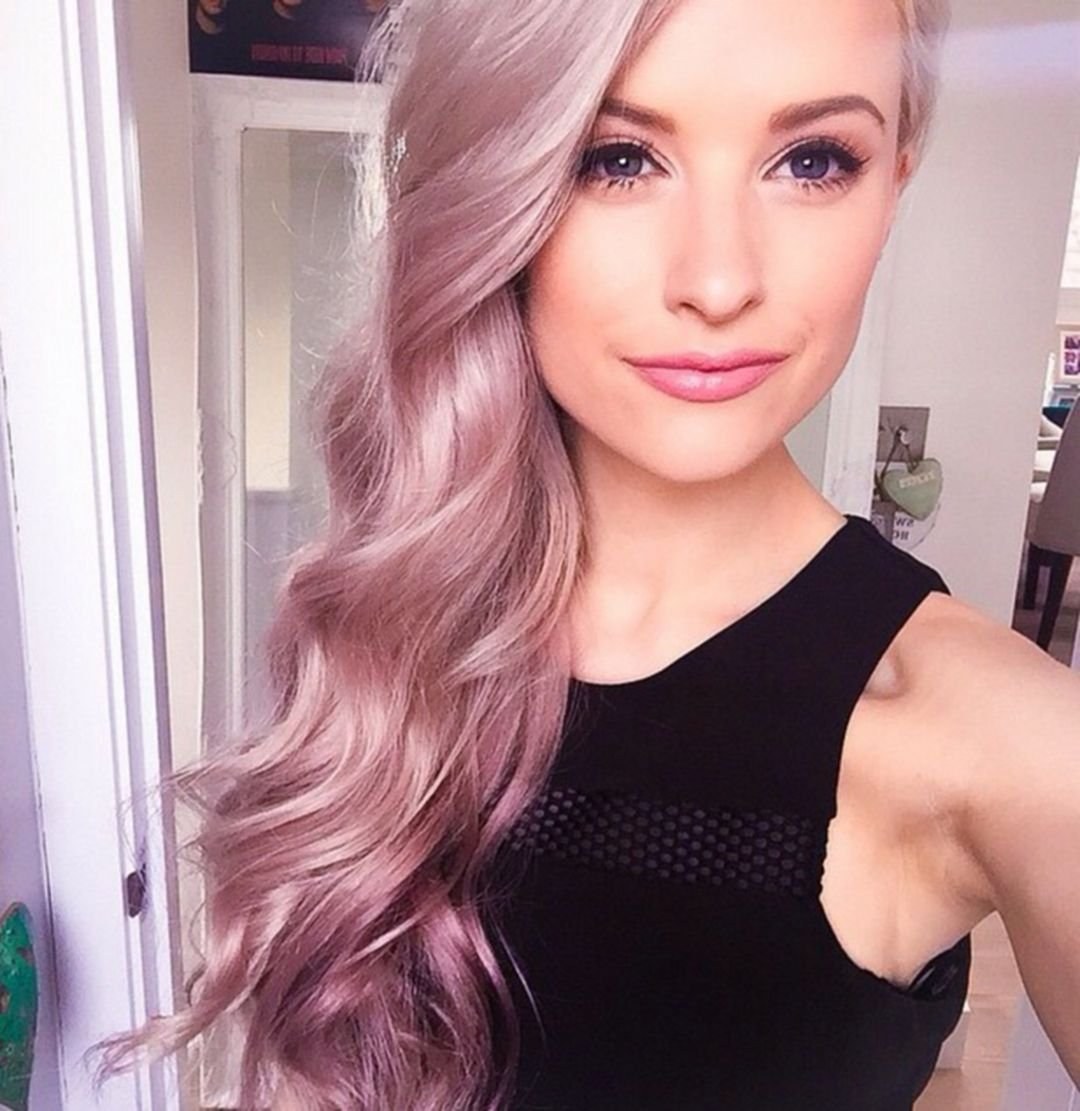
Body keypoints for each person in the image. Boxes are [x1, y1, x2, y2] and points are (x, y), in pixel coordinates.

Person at [95, 0, 1080, 1107]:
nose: (718, 281)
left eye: (811, 161)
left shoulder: (1007, 744)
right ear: (493, 188)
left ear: (894, 180)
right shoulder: (400, 633)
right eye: (617, 158)